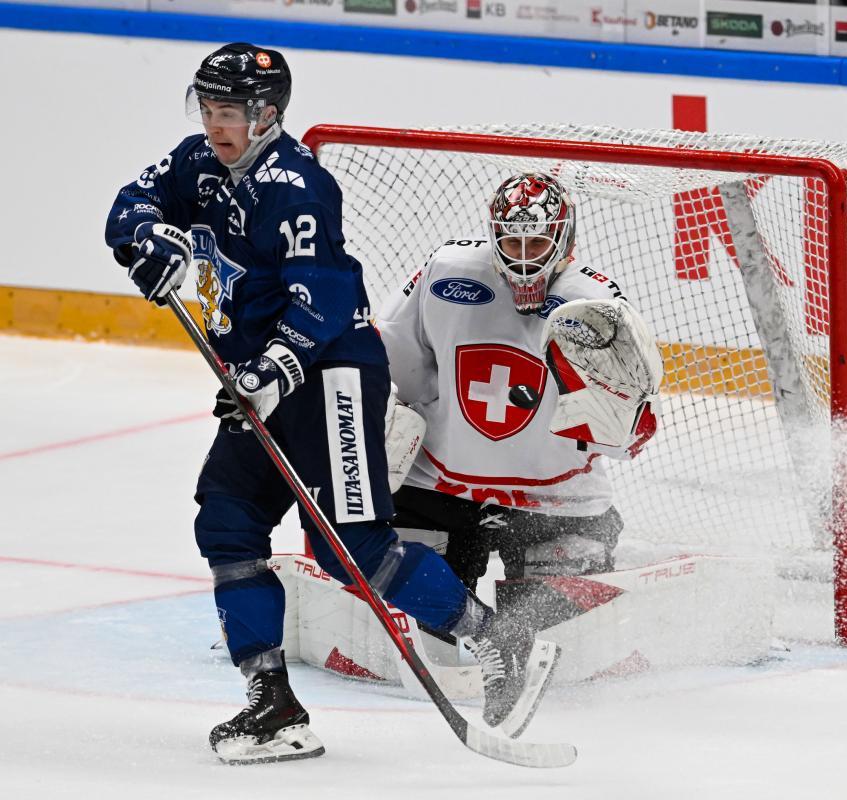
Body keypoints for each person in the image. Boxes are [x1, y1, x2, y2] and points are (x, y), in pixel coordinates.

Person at [103, 43, 556, 765]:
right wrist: (147, 239)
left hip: (330, 376)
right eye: (210, 109)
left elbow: (325, 297)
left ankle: (497, 635)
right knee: (227, 517)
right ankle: (272, 704)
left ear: (268, 114)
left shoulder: (297, 185)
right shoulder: (197, 164)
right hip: (257, 379)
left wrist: (274, 369)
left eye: (232, 112)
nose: (217, 125)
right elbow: (130, 205)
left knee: (352, 550)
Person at [374, 173, 663, 603]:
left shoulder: (597, 307)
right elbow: (391, 365)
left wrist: (609, 412)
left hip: (555, 499)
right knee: (418, 615)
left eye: (537, 245)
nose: (525, 260)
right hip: (437, 486)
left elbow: (631, 436)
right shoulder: (445, 273)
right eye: (512, 243)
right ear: (494, 237)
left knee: (549, 635)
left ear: (564, 240)